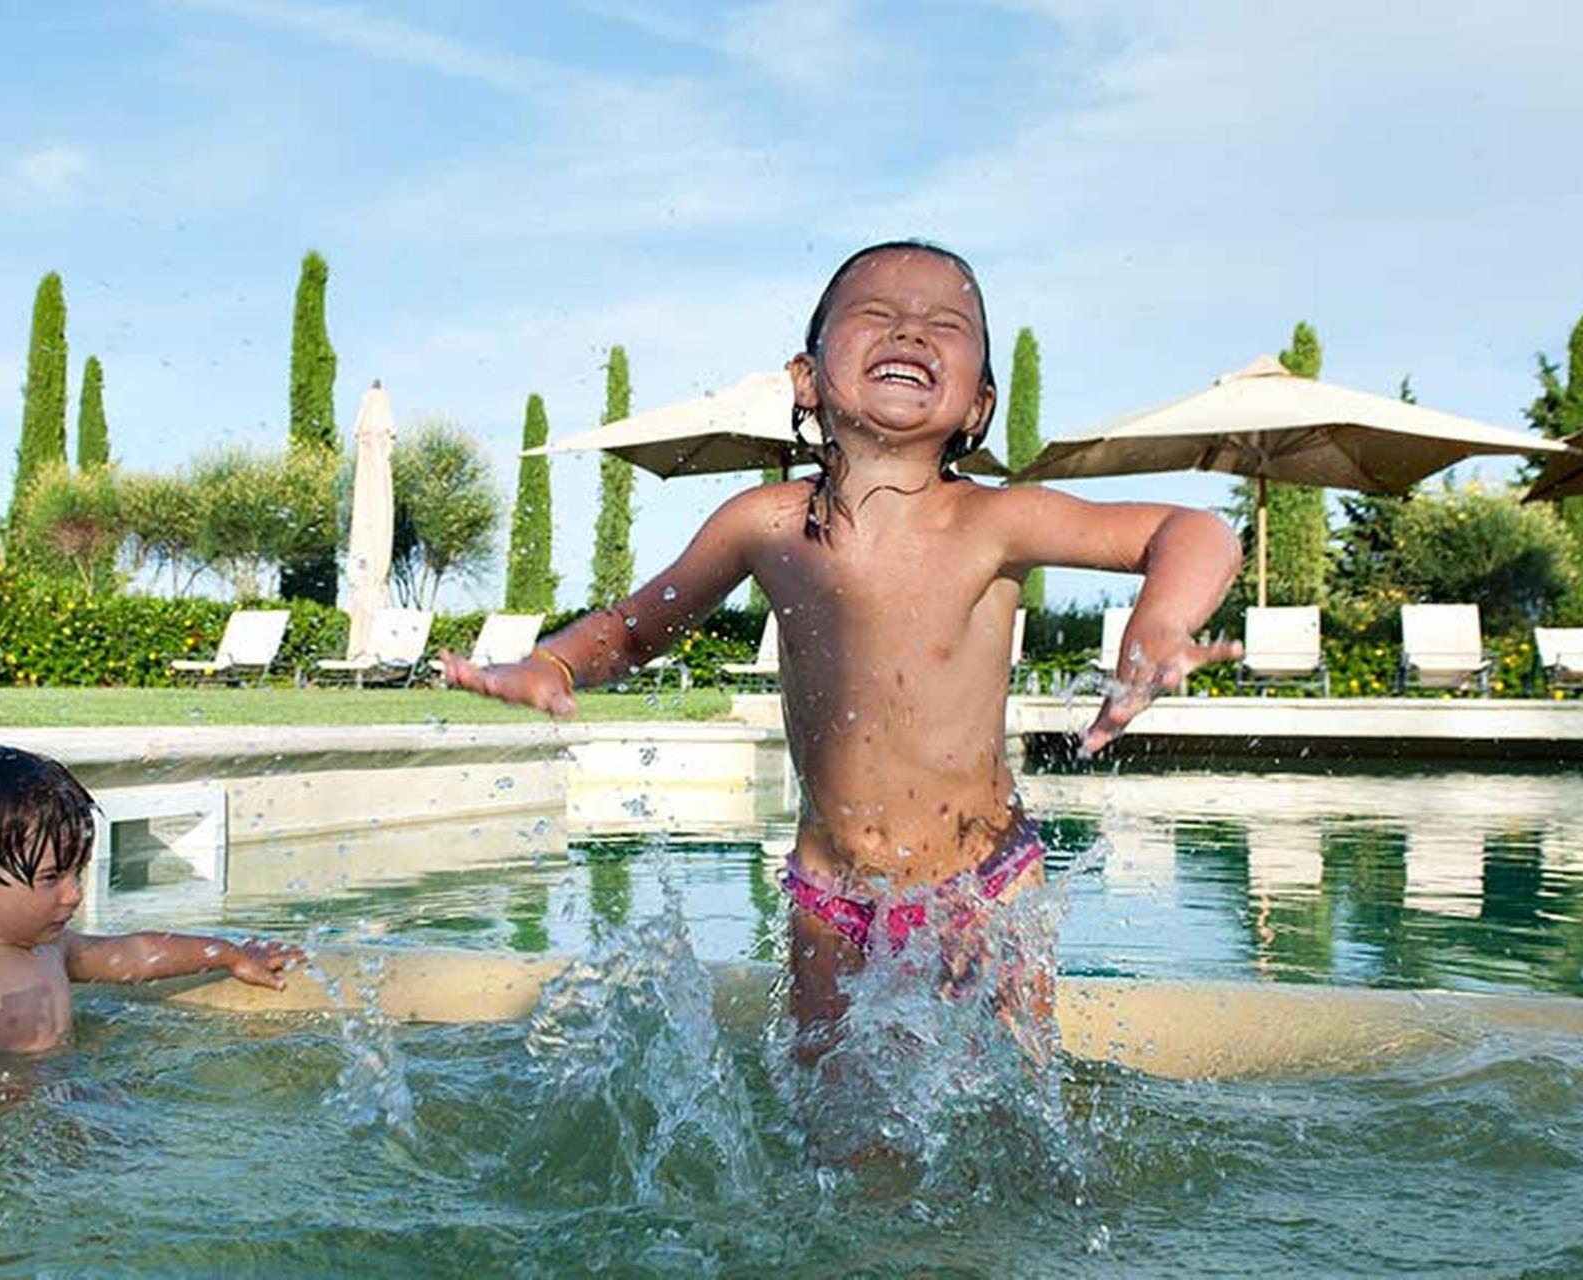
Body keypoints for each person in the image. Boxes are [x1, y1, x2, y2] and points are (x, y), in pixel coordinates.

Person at [441, 239, 1242, 1056]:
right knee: (836, 1137)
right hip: (832, 898)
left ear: (979, 405)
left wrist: (1161, 623)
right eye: (876, 315)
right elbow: (638, 627)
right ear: (806, 377)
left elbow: (1194, 530)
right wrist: (557, 663)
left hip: (986, 884)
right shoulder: (764, 526)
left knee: (1014, 1120)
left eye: (946, 323)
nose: (911, 331)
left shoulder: (996, 522)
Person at [0, 745, 303, 1064]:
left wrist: (228, 955)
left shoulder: (51, 947)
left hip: (44, 1099)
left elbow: (135, 955)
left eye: (78, 872)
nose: (74, 894)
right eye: (52, 878)